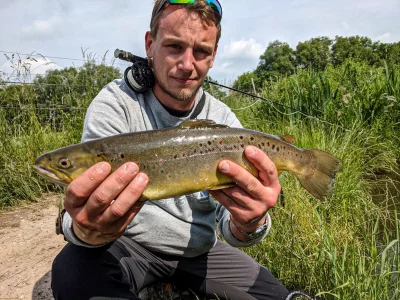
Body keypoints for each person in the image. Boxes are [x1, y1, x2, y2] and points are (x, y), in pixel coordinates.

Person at [51, 1, 304, 299]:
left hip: (200, 251)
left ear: (213, 57)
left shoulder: (225, 122)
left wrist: (250, 223)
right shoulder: (115, 104)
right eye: (174, 46)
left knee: (277, 296)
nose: (187, 64)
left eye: (201, 52)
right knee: (71, 270)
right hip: (127, 245)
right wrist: (84, 230)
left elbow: (232, 228)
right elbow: (84, 207)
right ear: (150, 44)